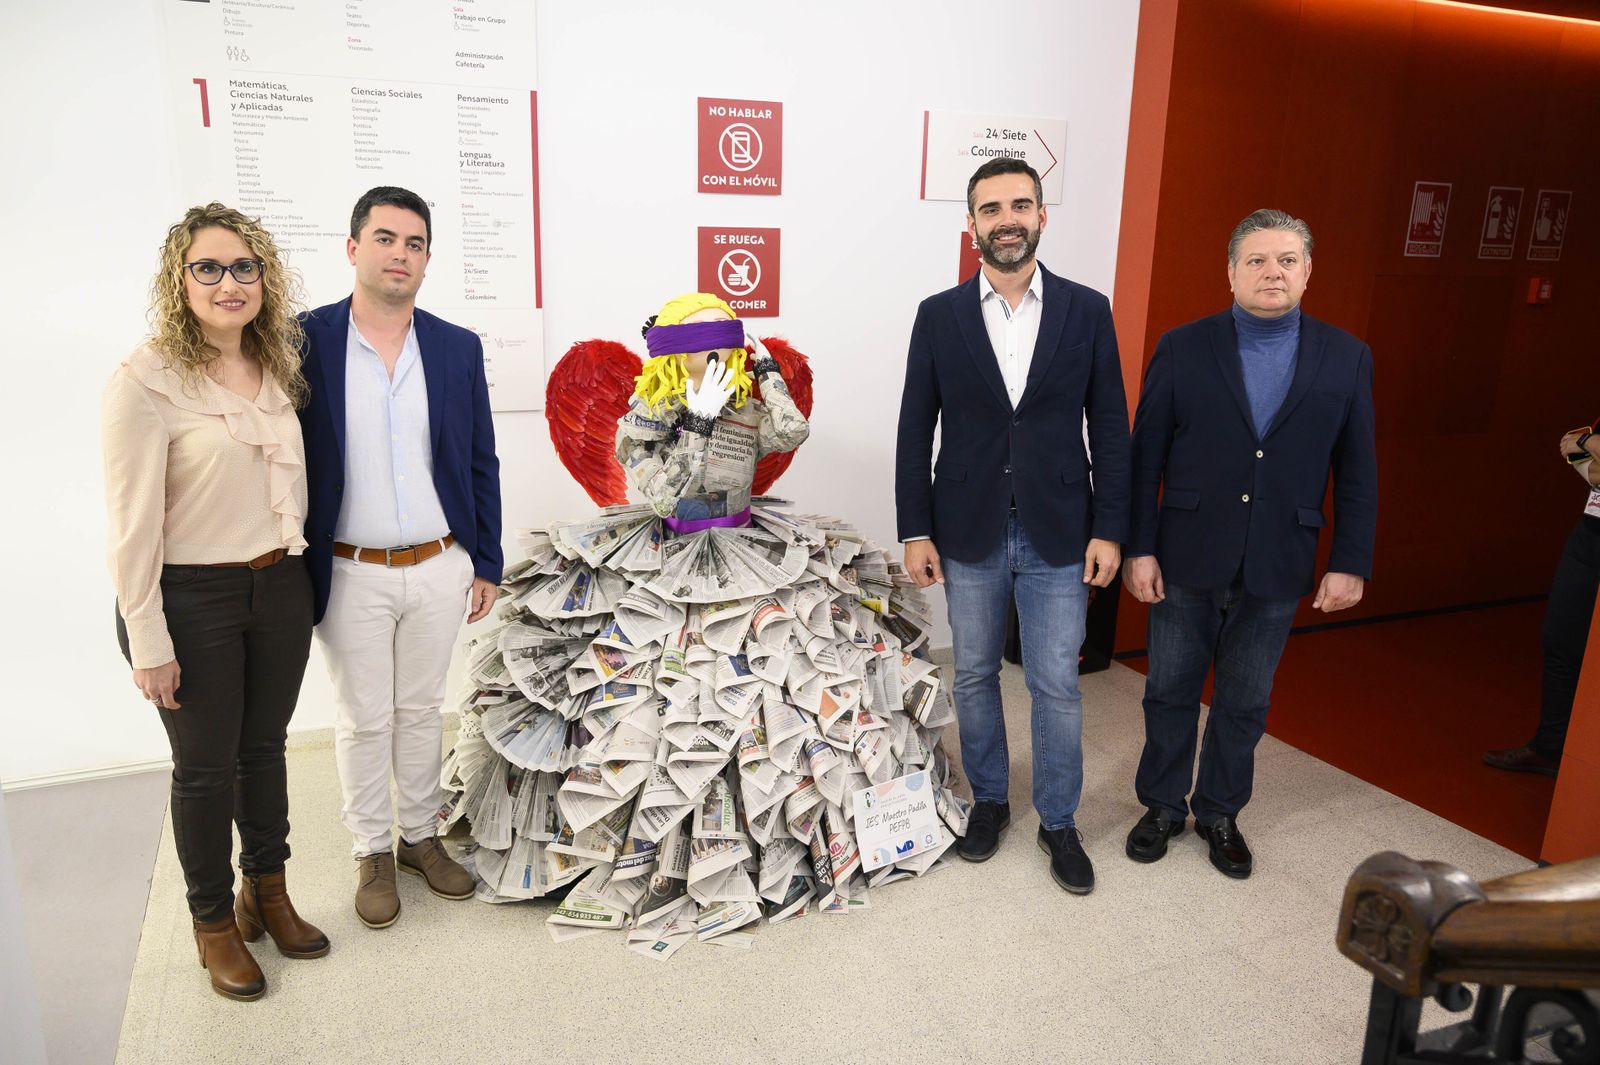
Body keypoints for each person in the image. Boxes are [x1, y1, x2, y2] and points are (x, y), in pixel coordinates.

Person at [432, 293, 967, 947]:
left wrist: (764, 376)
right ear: (673, 359)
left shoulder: (744, 399)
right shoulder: (652, 410)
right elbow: (656, 488)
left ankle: (799, 839)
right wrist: (699, 421)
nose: (711, 361)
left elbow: (790, 432)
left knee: (789, 679)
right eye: (698, 351)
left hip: (750, 544)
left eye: (722, 350)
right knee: (673, 698)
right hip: (674, 548)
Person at [103, 203, 328, 1001]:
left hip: (278, 585)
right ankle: (211, 925)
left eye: (244, 267)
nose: (228, 283)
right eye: (208, 267)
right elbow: (131, 528)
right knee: (202, 770)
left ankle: (266, 891)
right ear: (180, 279)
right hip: (190, 597)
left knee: (264, 750)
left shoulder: (276, 368)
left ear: (265, 279)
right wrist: (147, 638)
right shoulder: (145, 380)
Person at [895, 157, 1132, 895]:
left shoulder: (1087, 310)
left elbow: (1111, 428)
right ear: (971, 225)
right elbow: (915, 428)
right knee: (971, 671)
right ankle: (992, 801)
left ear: (1041, 216)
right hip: (966, 526)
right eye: (991, 208)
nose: (1007, 218)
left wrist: (1111, 527)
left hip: (1062, 526)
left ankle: (1059, 819)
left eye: (1020, 205)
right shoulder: (939, 314)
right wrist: (914, 528)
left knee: (1058, 681)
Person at [1123, 208, 1377, 879]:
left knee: (1245, 697)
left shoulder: (1346, 356)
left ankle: (1219, 811)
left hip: (1279, 555)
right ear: (1231, 272)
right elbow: (1143, 456)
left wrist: (1350, 560)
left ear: (1307, 271)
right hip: (1184, 551)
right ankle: (1160, 806)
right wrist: (1137, 546)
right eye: (1257, 260)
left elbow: (1357, 470)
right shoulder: (1184, 346)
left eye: (1287, 259)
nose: (1273, 271)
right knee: (1171, 687)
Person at [299, 186, 503, 929]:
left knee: (422, 708)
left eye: (415, 243)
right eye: (385, 238)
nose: (400, 254)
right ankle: (371, 850)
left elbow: (481, 458)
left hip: (439, 562)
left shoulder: (455, 346)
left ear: (426, 259)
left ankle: (419, 836)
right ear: (353, 248)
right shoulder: (305, 340)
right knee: (362, 716)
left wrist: (486, 559)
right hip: (350, 566)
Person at [1483, 422, 1600, 777]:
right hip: (1591, 534)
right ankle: (1550, 748)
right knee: (1560, 639)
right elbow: (1580, 462)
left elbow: (1577, 446)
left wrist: (1587, 440)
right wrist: (1589, 450)